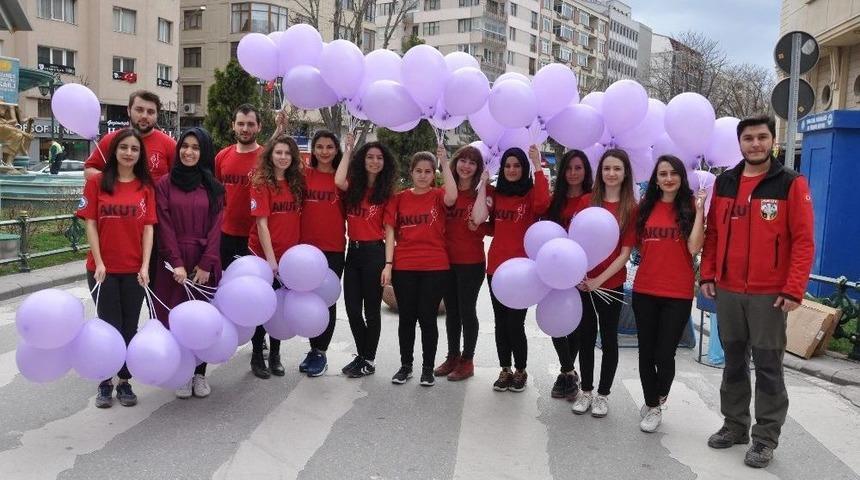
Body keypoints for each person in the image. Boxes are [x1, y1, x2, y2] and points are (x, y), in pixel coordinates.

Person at [700, 115, 814, 468]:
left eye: (762, 137)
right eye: (748, 138)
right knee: (733, 362)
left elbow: (803, 242)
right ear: (739, 143)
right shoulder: (726, 183)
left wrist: (794, 289)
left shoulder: (790, 183)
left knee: (767, 367)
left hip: (770, 295)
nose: (755, 144)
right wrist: (708, 273)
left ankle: (765, 438)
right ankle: (735, 425)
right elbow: (713, 233)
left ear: (772, 140)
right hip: (729, 290)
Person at [77, 129, 156, 408]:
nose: (129, 153)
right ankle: (104, 380)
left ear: (139, 154)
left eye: (134, 149)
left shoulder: (145, 187)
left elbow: (148, 229)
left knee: (129, 326)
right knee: (107, 325)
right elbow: (90, 223)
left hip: (134, 270)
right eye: (124, 147)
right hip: (103, 270)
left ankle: (124, 381)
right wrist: (99, 262)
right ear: (115, 151)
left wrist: (145, 266)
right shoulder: (97, 182)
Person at [633, 155, 705, 433]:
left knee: (665, 354)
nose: (668, 178)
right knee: (645, 353)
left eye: (673, 173)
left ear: (680, 177)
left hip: (677, 292)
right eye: (662, 174)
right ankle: (653, 405)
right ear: (656, 179)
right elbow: (638, 246)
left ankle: (659, 395)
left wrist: (700, 212)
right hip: (645, 289)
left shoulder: (689, 206)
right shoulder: (646, 207)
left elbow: (694, 248)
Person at [152, 127, 224, 399]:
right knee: (174, 316)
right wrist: (176, 262)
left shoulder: (214, 188)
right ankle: (181, 372)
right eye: (185, 145)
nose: (189, 152)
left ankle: (200, 374)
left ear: (203, 152)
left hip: (204, 262)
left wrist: (207, 264)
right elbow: (164, 226)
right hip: (173, 264)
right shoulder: (164, 185)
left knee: (201, 319)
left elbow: (217, 227)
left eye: (195, 147)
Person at [471, 145, 550, 393]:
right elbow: (492, 226)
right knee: (500, 323)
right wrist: (478, 227)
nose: (512, 169)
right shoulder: (497, 193)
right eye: (508, 165)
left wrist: (537, 165)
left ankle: (520, 370)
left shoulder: (529, 194)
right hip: (495, 267)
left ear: (523, 168)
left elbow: (542, 204)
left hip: (523, 271)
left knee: (515, 324)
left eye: (517, 165)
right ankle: (505, 369)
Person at [571, 148, 637, 418]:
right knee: (585, 337)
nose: (611, 173)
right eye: (607, 168)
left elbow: (625, 254)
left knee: (609, 339)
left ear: (625, 174)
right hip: (583, 284)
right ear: (601, 172)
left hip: (610, 284)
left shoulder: (631, 208)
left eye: (617, 169)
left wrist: (600, 279)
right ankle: (585, 391)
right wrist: (578, 276)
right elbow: (573, 241)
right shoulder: (587, 201)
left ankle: (602, 394)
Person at [385, 147, 457, 386]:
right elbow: (390, 232)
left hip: (435, 267)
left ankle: (427, 368)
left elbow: (453, 196)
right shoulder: (399, 198)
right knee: (406, 319)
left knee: (427, 319)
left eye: (428, 171)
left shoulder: (439, 196)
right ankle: (406, 366)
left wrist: (445, 162)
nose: (423, 175)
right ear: (411, 172)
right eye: (419, 171)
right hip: (404, 266)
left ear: (433, 174)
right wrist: (388, 264)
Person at [335, 136, 397, 378]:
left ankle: (368, 359)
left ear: (385, 163)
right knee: (351, 308)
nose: (374, 161)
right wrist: (348, 150)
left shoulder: (387, 193)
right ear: (363, 160)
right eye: (370, 157)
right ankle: (363, 355)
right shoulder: (354, 187)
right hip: (354, 252)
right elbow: (338, 180)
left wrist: (388, 264)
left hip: (374, 253)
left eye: (379, 158)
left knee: (372, 310)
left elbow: (390, 231)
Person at [247, 135, 305, 379]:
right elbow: (262, 225)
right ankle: (257, 355)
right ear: (270, 155)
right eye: (278, 152)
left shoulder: (296, 182)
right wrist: (271, 262)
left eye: (287, 153)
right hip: (264, 256)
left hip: (289, 257)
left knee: (281, 308)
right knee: (263, 307)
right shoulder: (261, 183)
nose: (283, 157)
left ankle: (276, 354)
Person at [434, 145, 490, 382]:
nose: (466, 166)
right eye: (463, 161)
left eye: (472, 162)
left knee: (467, 311)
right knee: (452, 312)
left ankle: (467, 360)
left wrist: (480, 226)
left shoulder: (484, 193)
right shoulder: (445, 192)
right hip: (446, 262)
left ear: (478, 168)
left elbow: (491, 225)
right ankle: (453, 356)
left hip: (471, 262)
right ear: (456, 163)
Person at [297, 129, 347, 377]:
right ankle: (313, 349)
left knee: (327, 301)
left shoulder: (342, 179)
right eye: (320, 147)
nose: (325, 151)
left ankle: (322, 352)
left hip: (333, 249)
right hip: (305, 250)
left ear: (336, 150)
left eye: (330, 147)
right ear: (313, 150)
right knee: (308, 301)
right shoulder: (304, 175)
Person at [545, 149, 593, 401]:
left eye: (578, 168)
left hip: (582, 271)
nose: (573, 173)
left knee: (575, 323)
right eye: (569, 168)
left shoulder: (592, 199)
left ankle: (566, 374)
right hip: (555, 271)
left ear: (585, 171)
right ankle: (568, 370)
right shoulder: (557, 201)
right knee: (554, 321)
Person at [85, 90, 176, 181]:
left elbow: (180, 178)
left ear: (157, 115)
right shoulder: (110, 140)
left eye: (150, 112)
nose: (144, 116)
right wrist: (114, 180)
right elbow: (88, 171)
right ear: (129, 111)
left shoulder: (170, 145)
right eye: (139, 110)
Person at [214, 104, 262, 270]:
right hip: (226, 234)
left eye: (250, 124)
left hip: (257, 236)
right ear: (232, 125)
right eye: (240, 124)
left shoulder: (266, 159)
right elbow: (216, 194)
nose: (245, 129)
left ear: (259, 127)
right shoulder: (222, 156)